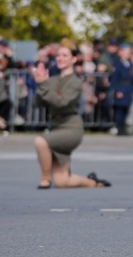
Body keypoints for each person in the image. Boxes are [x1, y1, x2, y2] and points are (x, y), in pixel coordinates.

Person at [32, 45, 111, 189]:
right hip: (55, 127)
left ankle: (44, 179)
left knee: (40, 141)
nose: (60, 58)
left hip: (71, 128)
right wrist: (40, 84)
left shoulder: (75, 82)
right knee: (62, 181)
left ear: (74, 59)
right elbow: (38, 103)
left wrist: (44, 87)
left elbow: (61, 103)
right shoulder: (52, 80)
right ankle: (93, 182)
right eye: (58, 55)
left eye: (64, 55)